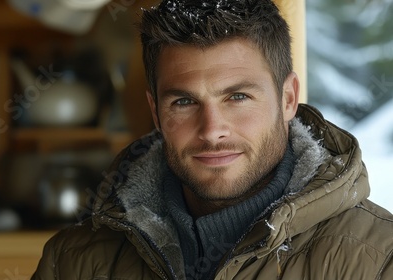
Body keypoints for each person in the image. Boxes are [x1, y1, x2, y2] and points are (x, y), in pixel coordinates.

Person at [31, 0, 393, 279]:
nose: (212, 130)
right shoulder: (71, 262)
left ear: (287, 99)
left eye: (237, 97)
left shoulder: (378, 258)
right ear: (156, 112)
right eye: (184, 102)